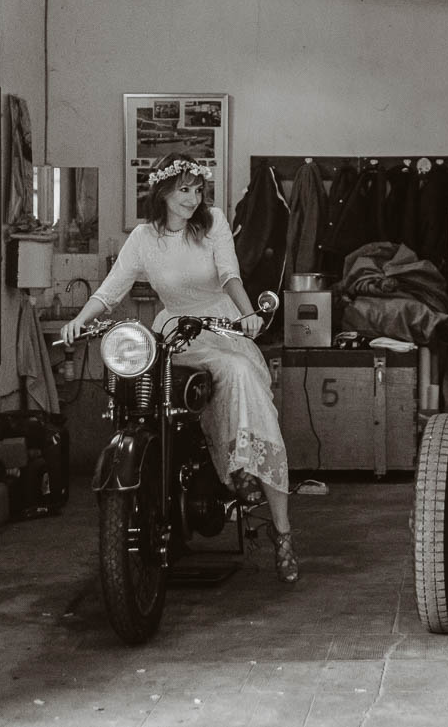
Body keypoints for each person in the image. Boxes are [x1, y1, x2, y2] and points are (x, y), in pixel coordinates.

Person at [61, 152, 298, 583]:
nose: (193, 198)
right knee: (144, 392)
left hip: (220, 324)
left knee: (238, 373)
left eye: (197, 189)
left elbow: (229, 275)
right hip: (172, 330)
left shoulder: (214, 223)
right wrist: (81, 317)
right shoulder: (144, 238)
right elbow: (112, 288)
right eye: (184, 190)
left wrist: (247, 316)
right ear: (163, 192)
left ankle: (274, 518)